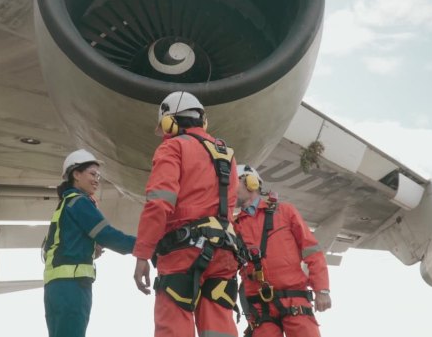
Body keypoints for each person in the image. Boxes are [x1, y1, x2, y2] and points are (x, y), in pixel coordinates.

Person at [133, 91, 242, 337]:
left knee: (174, 324)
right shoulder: (226, 154)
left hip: (184, 252)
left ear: (170, 122)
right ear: (202, 121)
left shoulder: (173, 147)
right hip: (224, 252)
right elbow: (229, 208)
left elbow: (159, 204)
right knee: (219, 328)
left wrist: (142, 253)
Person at [43, 149, 136, 337]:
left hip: (55, 289)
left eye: (99, 176)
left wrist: (88, 248)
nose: (97, 180)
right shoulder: (80, 202)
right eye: (92, 174)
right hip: (73, 288)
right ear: (76, 174)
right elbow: (108, 236)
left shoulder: (64, 205)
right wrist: (146, 245)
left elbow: (50, 248)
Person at [233, 165, 331, 337]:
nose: (229, 189)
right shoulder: (234, 226)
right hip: (259, 308)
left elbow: (312, 251)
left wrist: (321, 289)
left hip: (295, 299)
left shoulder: (285, 212)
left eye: (233, 183)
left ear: (251, 183)